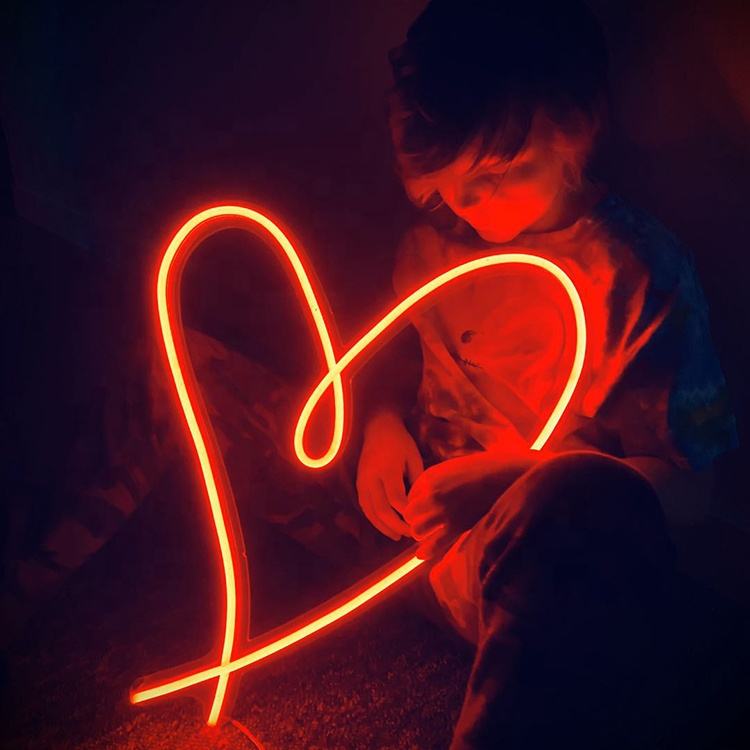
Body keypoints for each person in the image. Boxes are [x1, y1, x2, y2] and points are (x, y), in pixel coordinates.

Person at [354, 0, 739, 747]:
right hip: (402, 548)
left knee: (568, 507)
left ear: (573, 134)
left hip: (538, 588)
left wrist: (511, 481)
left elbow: (693, 491)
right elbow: (395, 353)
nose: (466, 204)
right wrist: (379, 423)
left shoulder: (637, 276)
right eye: (444, 180)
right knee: (194, 361)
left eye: (495, 172)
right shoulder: (435, 243)